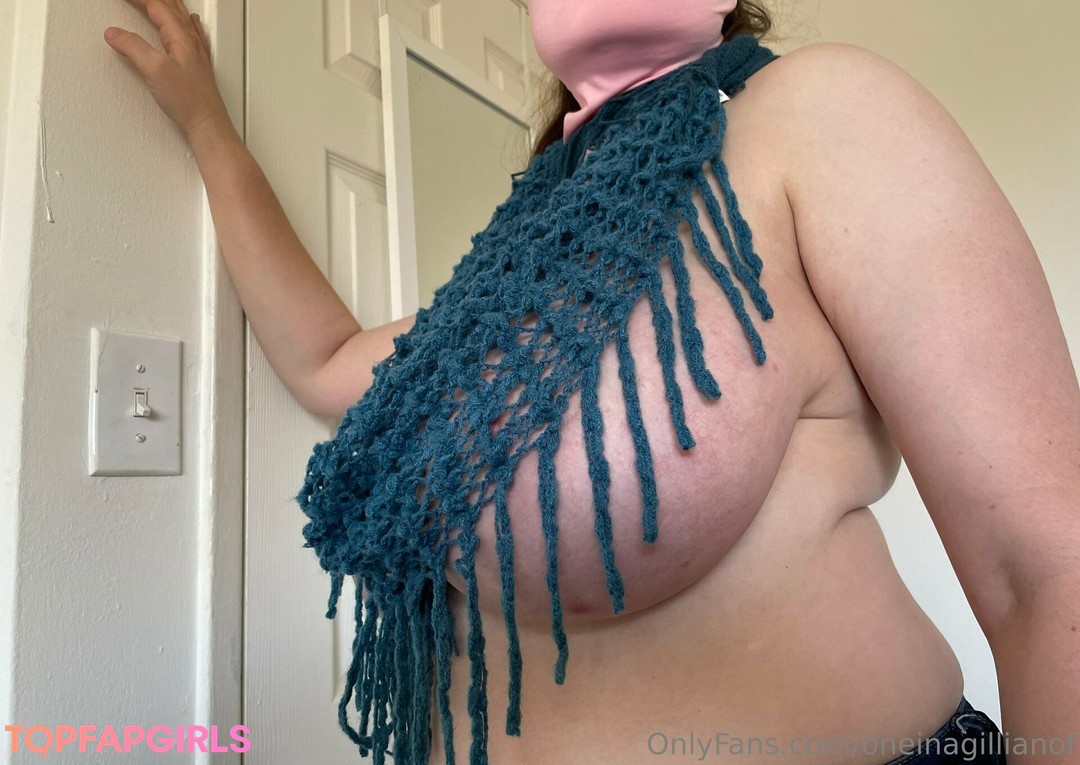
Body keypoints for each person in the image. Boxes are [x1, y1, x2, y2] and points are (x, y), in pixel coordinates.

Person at [105, 1, 1079, 763]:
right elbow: (327, 357)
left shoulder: (820, 112)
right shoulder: (510, 277)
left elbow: (1047, 571)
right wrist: (207, 125)